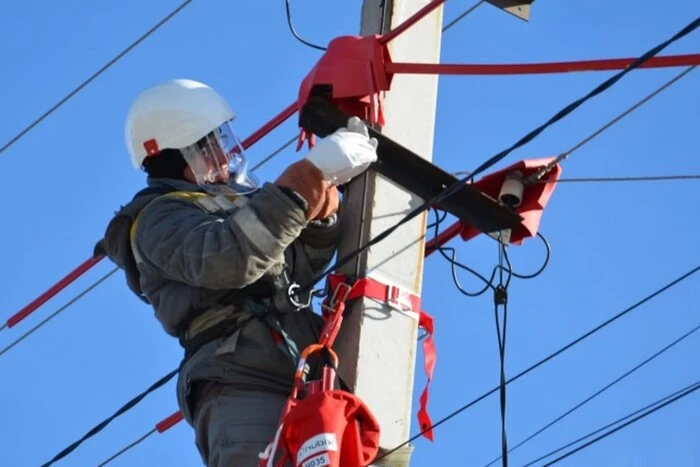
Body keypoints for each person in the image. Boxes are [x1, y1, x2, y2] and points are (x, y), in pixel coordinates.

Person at [101, 78, 378, 466]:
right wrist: (304, 182)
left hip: (305, 373)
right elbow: (230, 258)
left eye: (221, 140)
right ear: (182, 153)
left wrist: (320, 216)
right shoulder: (157, 219)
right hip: (241, 380)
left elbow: (290, 270)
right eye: (209, 146)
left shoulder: (230, 203)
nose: (223, 155)